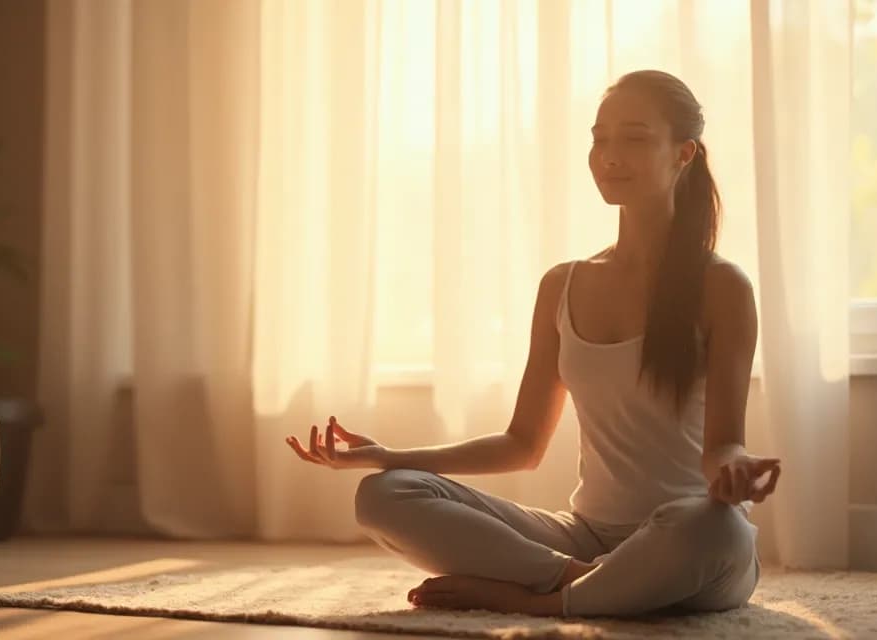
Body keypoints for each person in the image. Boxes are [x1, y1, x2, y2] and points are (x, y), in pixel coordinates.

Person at [284, 69, 783, 619]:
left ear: (683, 153)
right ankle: (578, 584)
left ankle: (527, 598)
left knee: (713, 528)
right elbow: (522, 444)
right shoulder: (562, 285)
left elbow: (722, 448)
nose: (610, 155)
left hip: (686, 539)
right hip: (585, 537)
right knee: (384, 495)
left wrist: (736, 468)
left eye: (635, 138)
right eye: (599, 138)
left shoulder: (722, 287)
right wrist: (389, 456)